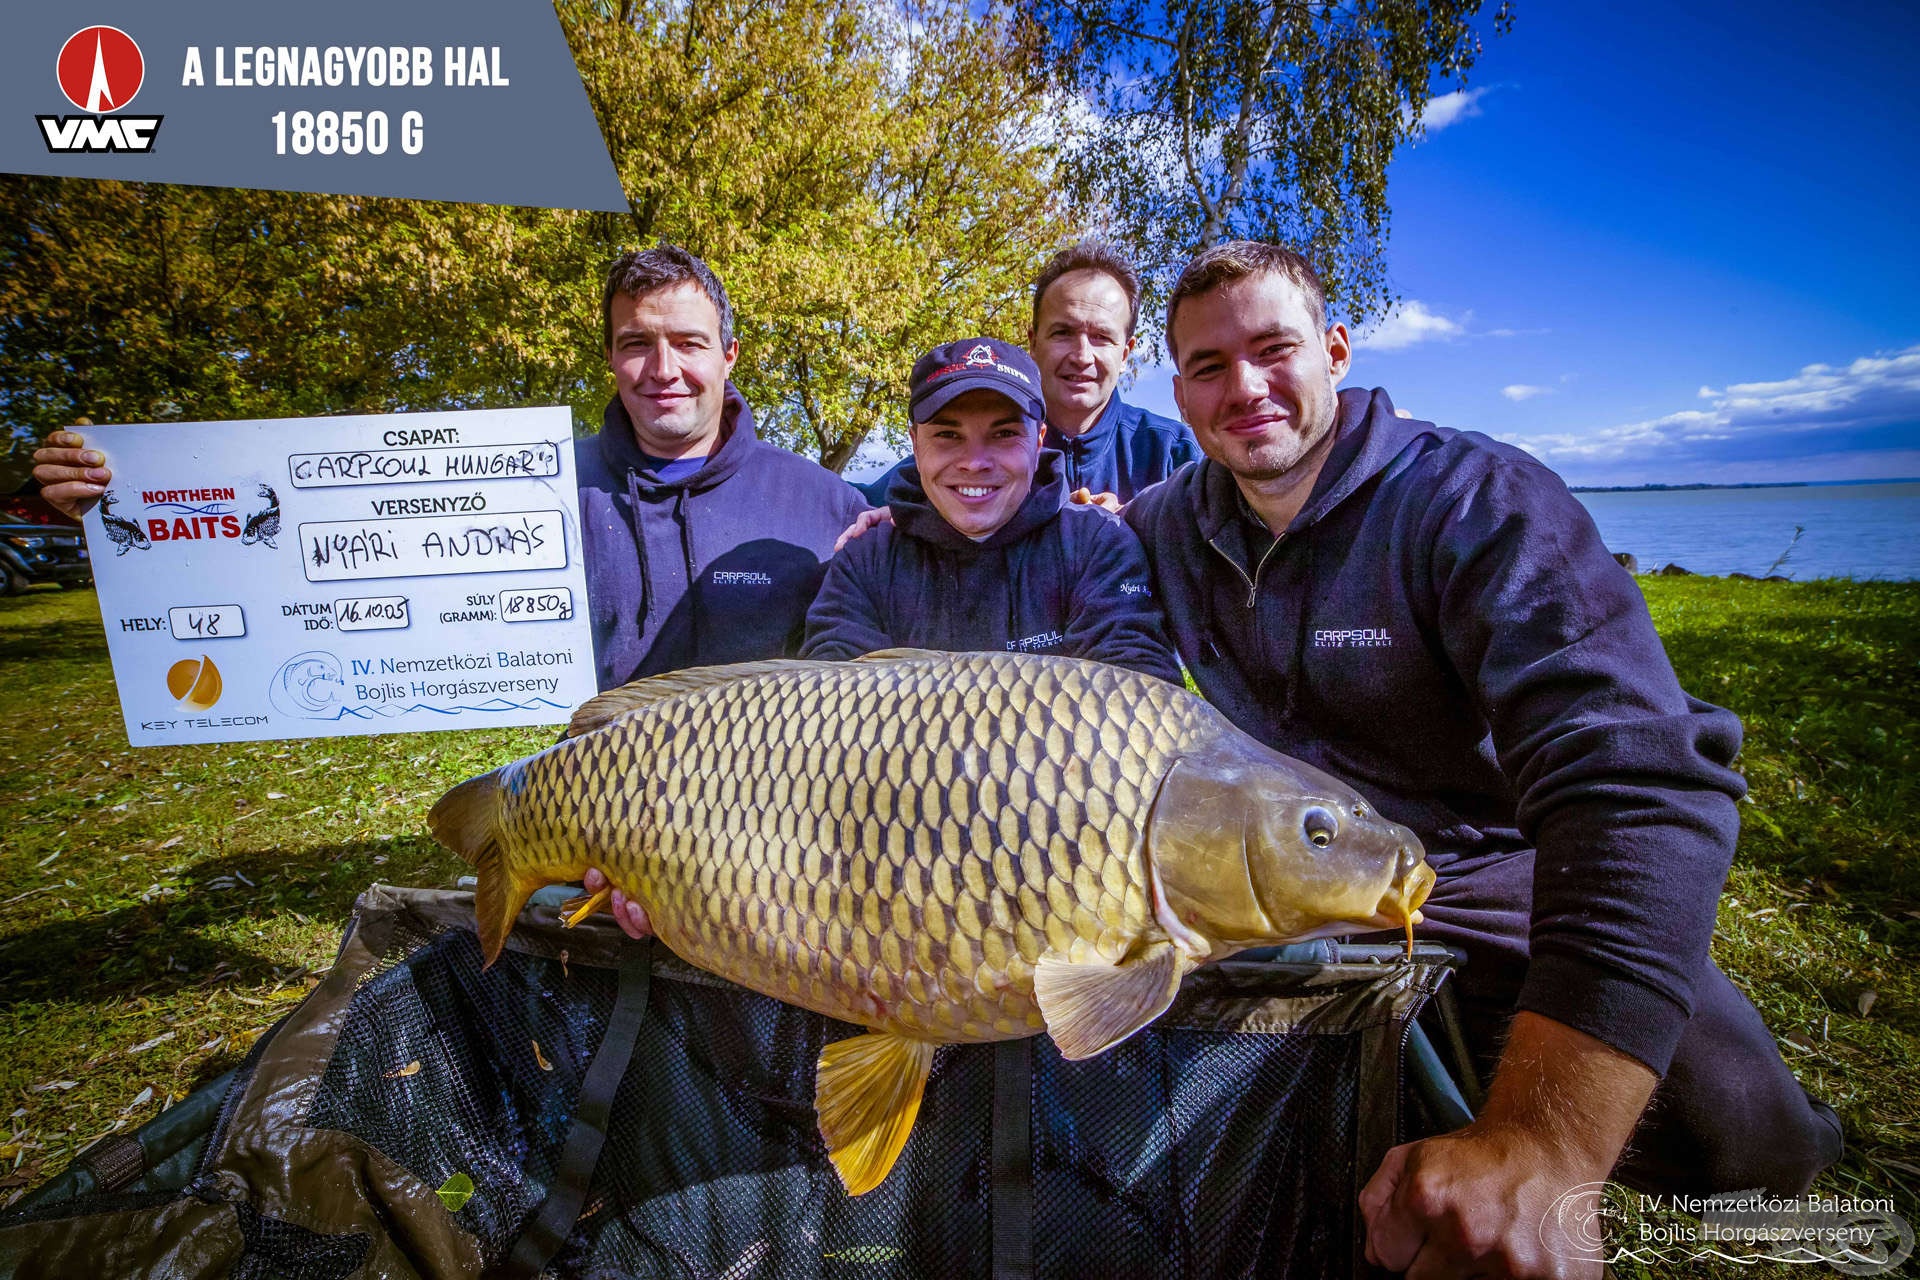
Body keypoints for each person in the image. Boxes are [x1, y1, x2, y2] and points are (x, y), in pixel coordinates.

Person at [1119, 240, 1842, 1278]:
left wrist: (1551, 1144)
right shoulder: (1165, 526)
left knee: (1754, 1159)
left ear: (1334, 351)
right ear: (1180, 394)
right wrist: (890, 523)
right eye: (1208, 366)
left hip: (1482, 873)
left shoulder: (1475, 501)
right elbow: (1033, 533)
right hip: (1279, 873)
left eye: (1274, 350)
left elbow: (1638, 786)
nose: (1245, 387)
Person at [35, 244, 868, 940]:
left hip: (780, 830)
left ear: (728, 354)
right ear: (609, 355)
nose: (663, 370)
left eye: (688, 343)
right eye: (634, 343)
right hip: (611, 815)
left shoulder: (825, 502)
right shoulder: (532, 484)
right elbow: (291, 551)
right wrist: (124, 516)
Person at [800, 338, 1180, 684]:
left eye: (1004, 434)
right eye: (948, 435)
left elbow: (1140, 689)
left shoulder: (1099, 544)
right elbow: (832, 700)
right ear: (915, 445)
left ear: (1039, 441)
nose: (975, 462)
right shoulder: (865, 560)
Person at [857, 241, 1198, 508]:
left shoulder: (1176, 454)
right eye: (1063, 333)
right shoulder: (980, 448)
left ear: (1125, 353)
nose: (1082, 356)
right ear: (1033, 343)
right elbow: (853, 506)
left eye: (1101, 337)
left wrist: (1134, 528)